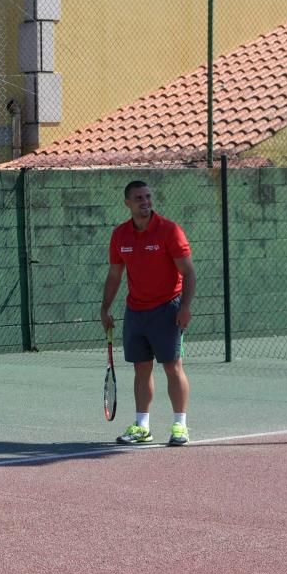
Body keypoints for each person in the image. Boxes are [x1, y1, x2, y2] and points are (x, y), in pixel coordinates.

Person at [100, 180, 196, 446]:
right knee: (141, 369)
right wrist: (105, 308)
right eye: (139, 198)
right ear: (127, 203)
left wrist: (185, 307)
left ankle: (180, 426)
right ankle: (142, 426)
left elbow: (188, 272)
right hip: (136, 311)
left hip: (168, 309)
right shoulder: (120, 235)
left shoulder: (169, 230)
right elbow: (115, 275)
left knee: (172, 367)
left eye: (148, 196)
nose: (145, 201)